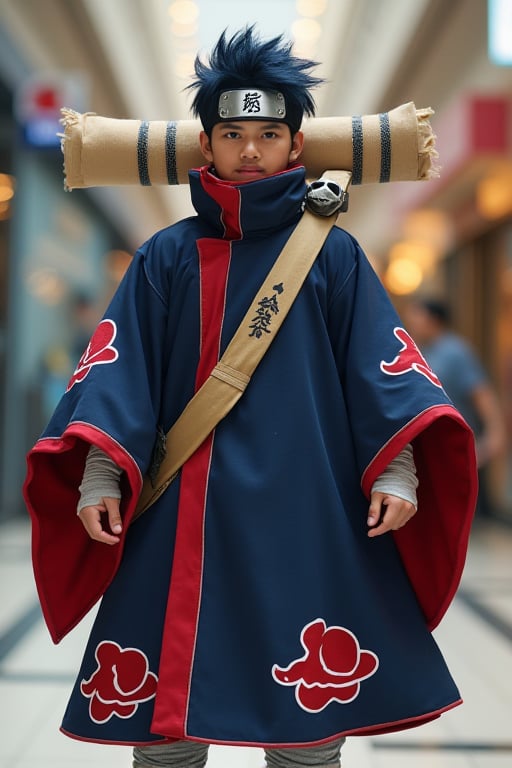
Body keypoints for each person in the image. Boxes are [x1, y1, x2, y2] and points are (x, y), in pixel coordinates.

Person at [24, 27, 477, 768]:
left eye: (269, 134)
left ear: (296, 147)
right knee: (166, 735)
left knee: (307, 736)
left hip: (307, 511)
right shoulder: (165, 257)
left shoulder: (332, 253)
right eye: (232, 133)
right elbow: (119, 370)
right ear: (206, 145)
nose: (250, 151)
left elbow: (377, 366)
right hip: (178, 514)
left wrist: (399, 470)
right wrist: (102, 474)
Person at [404, 295, 507, 517]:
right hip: (433, 448)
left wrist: (494, 436)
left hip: (457, 444)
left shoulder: (455, 351)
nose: (409, 320)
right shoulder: (419, 350)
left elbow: (481, 394)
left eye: (415, 314)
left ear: (433, 320)